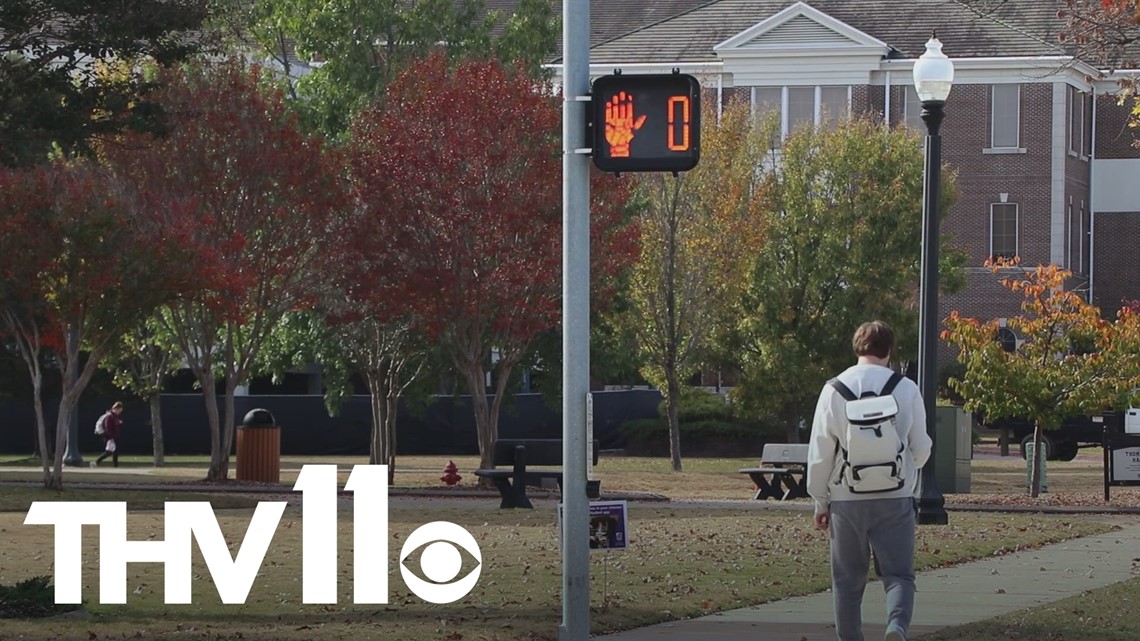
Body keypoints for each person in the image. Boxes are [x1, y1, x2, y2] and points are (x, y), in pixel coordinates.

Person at [806, 321, 932, 641]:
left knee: (847, 582)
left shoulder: (833, 389)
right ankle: (896, 627)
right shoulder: (906, 388)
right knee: (899, 575)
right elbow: (921, 447)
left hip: (846, 498)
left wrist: (821, 501)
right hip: (895, 495)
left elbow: (820, 452)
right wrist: (910, 468)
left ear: (857, 347)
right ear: (889, 350)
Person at [93, 401, 124, 467]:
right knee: (110, 451)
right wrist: (111, 437)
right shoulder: (110, 417)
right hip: (109, 436)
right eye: (119, 410)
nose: (120, 412)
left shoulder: (115, 416)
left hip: (114, 436)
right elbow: (108, 428)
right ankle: (96, 462)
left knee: (115, 451)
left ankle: (115, 465)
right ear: (115, 409)